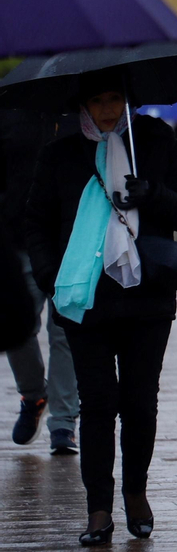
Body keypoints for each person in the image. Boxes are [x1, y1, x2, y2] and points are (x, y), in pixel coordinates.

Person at [24, 75, 177, 545]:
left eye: (116, 99)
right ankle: (98, 508)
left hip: (146, 300)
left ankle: (136, 495)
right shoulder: (62, 154)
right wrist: (51, 277)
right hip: (87, 303)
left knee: (141, 404)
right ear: (83, 104)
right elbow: (37, 223)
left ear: (129, 100)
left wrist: (154, 195)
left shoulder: (155, 140)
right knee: (99, 405)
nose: (107, 110)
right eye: (98, 100)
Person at [2, 107, 78, 454]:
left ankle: (63, 422)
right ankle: (34, 395)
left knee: (64, 331)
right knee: (18, 327)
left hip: (71, 239)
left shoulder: (83, 109)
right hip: (19, 237)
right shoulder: (10, 111)